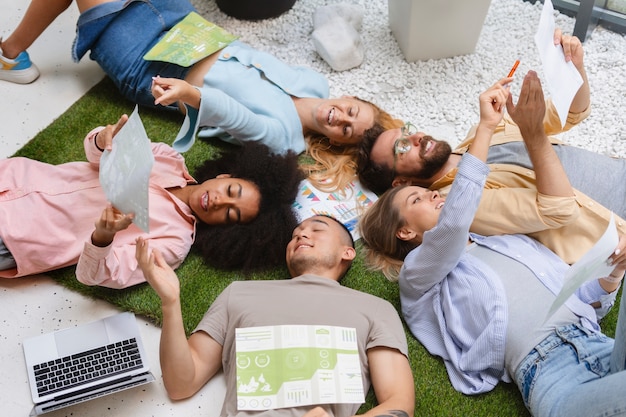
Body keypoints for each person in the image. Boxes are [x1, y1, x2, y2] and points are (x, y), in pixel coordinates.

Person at [358, 72, 626, 416]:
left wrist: (613, 273)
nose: (435, 196)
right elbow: (454, 222)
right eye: (419, 200)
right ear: (405, 232)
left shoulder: (511, 242)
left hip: (598, 343)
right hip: (551, 373)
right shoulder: (419, 279)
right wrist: (484, 127)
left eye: (429, 191)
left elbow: (592, 303)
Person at [0, 0, 403, 192]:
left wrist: (191, 93)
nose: (341, 117)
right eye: (352, 110)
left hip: (151, 64)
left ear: (335, 141)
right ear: (352, 96)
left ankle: (10, 53)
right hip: (183, 26)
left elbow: (233, 116)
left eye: (347, 129)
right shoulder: (315, 85)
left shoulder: (284, 138)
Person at [356, 29, 626, 265]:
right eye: (401, 148)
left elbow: (571, 113)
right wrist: (532, 134)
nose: (416, 139)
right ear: (401, 182)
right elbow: (557, 208)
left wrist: (574, 69)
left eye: (408, 132)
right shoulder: (459, 204)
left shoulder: (482, 131)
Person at [135, 214, 415, 417]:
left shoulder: (375, 309)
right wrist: (170, 303)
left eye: (317, 229)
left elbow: (399, 403)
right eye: (295, 234)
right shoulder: (240, 294)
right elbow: (181, 383)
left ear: (347, 252)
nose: (301, 235)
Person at [0, 113, 303, 288]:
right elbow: (96, 153)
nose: (221, 203)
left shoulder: (173, 243)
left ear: (228, 230)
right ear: (225, 176)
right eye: (232, 191)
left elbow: (97, 275)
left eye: (231, 215)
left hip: (17, 238)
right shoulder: (168, 159)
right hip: (14, 176)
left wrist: (103, 237)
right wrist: (102, 139)